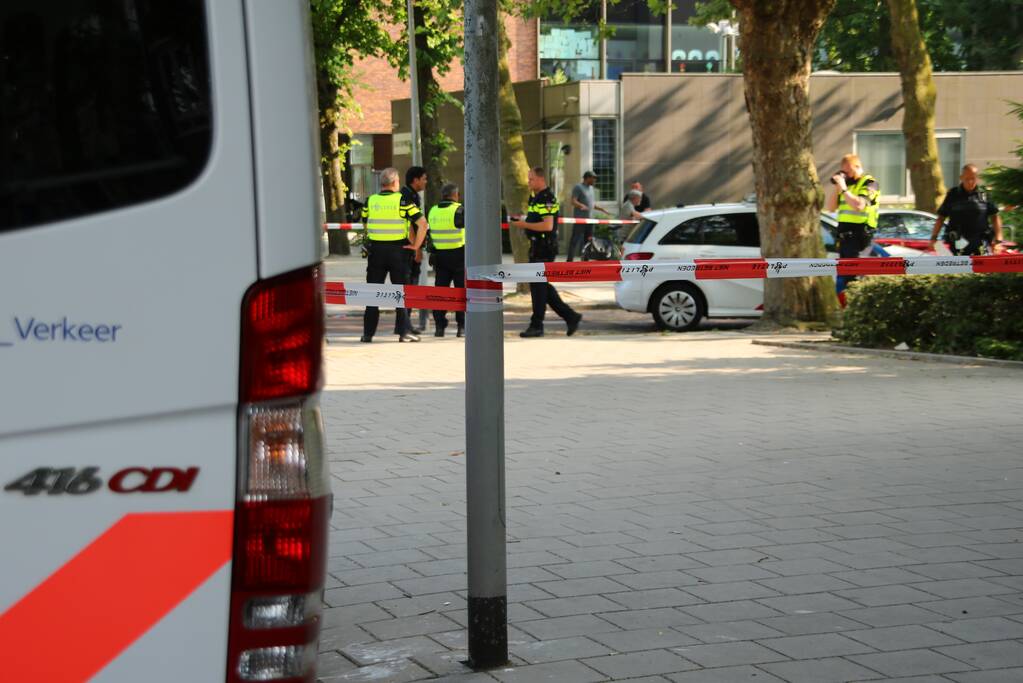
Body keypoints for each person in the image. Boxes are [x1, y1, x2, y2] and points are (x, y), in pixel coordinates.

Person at [509, 167, 583, 338]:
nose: (529, 182)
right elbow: (536, 220)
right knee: (541, 286)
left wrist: (524, 225)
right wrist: (523, 221)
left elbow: (548, 226)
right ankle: (570, 316)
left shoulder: (547, 198)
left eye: (531, 179)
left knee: (539, 287)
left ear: (541, 180)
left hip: (545, 247)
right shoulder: (536, 198)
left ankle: (537, 325)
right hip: (537, 246)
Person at [360, 167, 427, 343]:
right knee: (401, 293)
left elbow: (365, 222)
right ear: (395, 182)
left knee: (373, 292)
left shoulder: (370, 201)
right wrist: (416, 246)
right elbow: (422, 224)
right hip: (399, 251)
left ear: (382, 183)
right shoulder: (403, 201)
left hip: (376, 252)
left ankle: (368, 333)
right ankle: (404, 333)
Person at [929, 164, 1005, 255]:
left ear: (977, 178)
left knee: (982, 268)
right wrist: (933, 238)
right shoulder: (953, 195)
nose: (970, 182)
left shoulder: (984, 195)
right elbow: (941, 218)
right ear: (961, 177)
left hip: (981, 242)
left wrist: (998, 241)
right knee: (959, 268)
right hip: (958, 242)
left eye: (973, 178)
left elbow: (995, 217)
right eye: (967, 179)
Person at [428, 183, 466, 337]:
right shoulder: (459, 210)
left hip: (439, 257)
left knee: (441, 293)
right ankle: (462, 326)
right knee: (460, 292)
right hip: (458, 255)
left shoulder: (433, 211)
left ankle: (439, 326)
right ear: (455, 195)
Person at [825, 154, 879, 260]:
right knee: (844, 273)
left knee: (855, 273)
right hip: (844, 237)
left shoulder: (870, 183)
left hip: (860, 237)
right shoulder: (847, 185)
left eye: (849, 171)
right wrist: (837, 187)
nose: (847, 175)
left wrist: (844, 189)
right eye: (844, 172)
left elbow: (859, 205)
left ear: (858, 167)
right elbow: (831, 208)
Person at [398, 166, 428, 334]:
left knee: (410, 287)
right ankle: (405, 326)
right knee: (409, 287)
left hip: (409, 247)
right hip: (408, 248)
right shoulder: (407, 196)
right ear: (415, 180)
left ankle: (405, 325)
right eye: (423, 178)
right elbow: (410, 224)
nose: (425, 182)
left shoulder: (412, 195)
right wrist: (416, 248)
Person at [567, 170, 612, 262]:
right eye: (593, 179)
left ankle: (585, 261)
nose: (595, 181)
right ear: (587, 178)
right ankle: (569, 260)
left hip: (590, 220)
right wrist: (581, 205)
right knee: (575, 241)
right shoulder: (578, 187)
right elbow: (573, 201)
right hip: (580, 220)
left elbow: (591, 204)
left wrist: (602, 209)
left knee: (588, 242)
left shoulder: (591, 189)